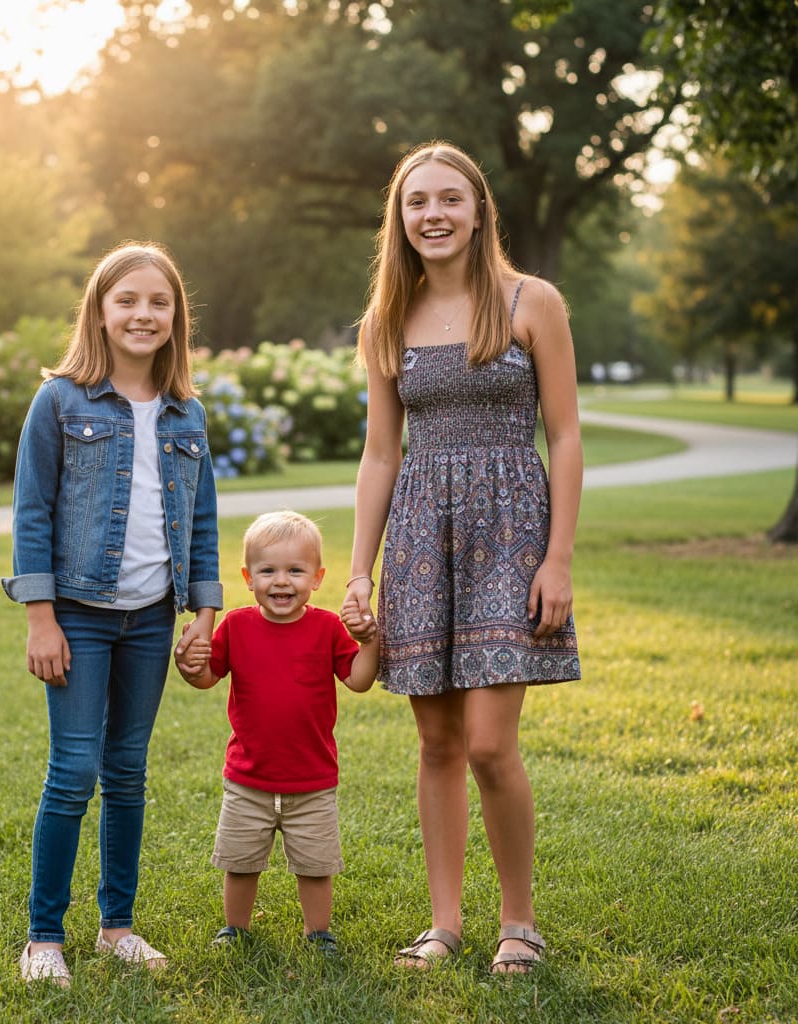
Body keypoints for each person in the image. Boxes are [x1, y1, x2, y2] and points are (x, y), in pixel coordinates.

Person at [342, 141, 582, 974]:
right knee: (437, 742)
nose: (433, 214)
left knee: (487, 742)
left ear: (479, 211)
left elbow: (565, 435)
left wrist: (558, 558)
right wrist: (359, 570)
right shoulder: (385, 320)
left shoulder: (529, 301)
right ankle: (443, 924)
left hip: (511, 538)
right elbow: (380, 453)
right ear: (399, 218)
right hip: (420, 537)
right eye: (417, 202)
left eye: (449, 198)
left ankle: (520, 922)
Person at [1, 241, 223, 986]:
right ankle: (43, 938)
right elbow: (32, 511)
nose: (142, 314)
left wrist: (203, 612)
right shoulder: (60, 401)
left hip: (152, 617)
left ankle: (117, 927)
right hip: (79, 614)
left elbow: (202, 521)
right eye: (127, 300)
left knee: (128, 771)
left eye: (159, 302)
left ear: (176, 317)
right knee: (73, 772)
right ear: (99, 311)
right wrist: (40, 616)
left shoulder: (187, 413)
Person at [175, 510, 379, 956]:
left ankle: (318, 933)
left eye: (295, 571)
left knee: (315, 864)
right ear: (248, 578)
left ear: (317, 578)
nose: (281, 581)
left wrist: (371, 642)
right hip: (248, 777)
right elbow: (208, 677)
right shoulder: (237, 626)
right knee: (240, 860)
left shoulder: (327, 628)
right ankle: (236, 928)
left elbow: (359, 680)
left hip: (312, 778)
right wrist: (190, 665)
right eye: (267, 571)